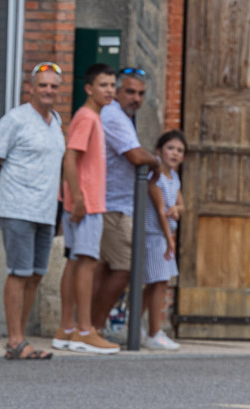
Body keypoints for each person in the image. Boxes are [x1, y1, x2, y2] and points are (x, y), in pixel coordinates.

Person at [0, 62, 66, 360]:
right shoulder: (15, 120)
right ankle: (15, 340)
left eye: (54, 86)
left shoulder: (55, 121)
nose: (48, 91)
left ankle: (21, 338)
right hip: (17, 208)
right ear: (31, 87)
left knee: (36, 274)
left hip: (45, 210)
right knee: (18, 272)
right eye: (43, 85)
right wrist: (4, 189)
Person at [51, 63, 120, 355]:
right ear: (89, 88)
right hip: (87, 202)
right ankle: (84, 330)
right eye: (103, 85)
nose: (109, 91)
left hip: (86, 201)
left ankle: (67, 328)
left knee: (77, 262)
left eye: (112, 85)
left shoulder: (91, 117)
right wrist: (77, 198)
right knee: (87, 262)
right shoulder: (88, 117)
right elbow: (70, 158)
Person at [90, 67, 160, 340]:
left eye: (141, 93)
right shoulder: (114, 115)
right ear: (117, 92)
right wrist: (155, 161)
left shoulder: (124, 117)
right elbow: (135, 155)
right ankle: (93, 327)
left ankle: (91, 326)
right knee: (124, 268)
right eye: (130, 92)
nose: (136, 98)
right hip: (113, 206)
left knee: (106, 268)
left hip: (116, 205)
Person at [141, 130, 186, 351]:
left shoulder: (174, 177)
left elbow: (181, 205)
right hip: (155, 236)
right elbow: (160, 212)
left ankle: (139, 326)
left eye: (179, 150)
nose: (175, 153)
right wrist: (170, 241)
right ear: (159, 151)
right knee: (158, 283)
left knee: (156, 282)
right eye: (170, 148)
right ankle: (153, 331)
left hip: (164, 237)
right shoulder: (155, 177)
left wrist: (176, 209)